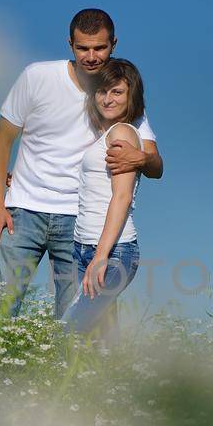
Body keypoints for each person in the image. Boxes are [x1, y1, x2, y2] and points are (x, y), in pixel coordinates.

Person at [0, 8, 162, 317]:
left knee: (75, 319)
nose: (91, 56)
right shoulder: (37, 76)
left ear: (114, 44)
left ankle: (71, 367)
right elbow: (2, 140)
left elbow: (156, 164)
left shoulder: (118, 96)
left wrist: (141, 157)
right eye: (83, 48)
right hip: (24, 211)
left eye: (100, 48)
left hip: (78, 223)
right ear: (70, 45)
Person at [60, 57, 146, 335]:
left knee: (69, 332)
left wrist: (100, 257)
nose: (108, 99)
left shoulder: (122, 132)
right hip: (84, 249)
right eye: (101, 91)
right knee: (102, 342)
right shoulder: (104, 135)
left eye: (117, 92)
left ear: (131, 95)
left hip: (112, 252)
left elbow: (121, 198)